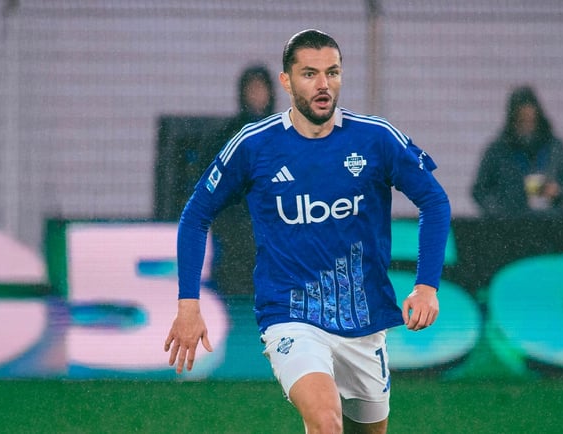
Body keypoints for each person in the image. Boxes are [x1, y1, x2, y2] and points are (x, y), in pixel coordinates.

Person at [164, 29, 451, 434]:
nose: (323, 84)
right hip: (291, 316)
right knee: (325, 420)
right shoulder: (254, 145)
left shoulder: (374, 138)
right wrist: (188, 304)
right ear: (286, 81)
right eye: (309, 74)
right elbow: (196, 216)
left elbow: (435, 202)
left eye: (332, 72)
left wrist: (427, 286)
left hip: (364, 321)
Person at [471, 85, 563, 218]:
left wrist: (559, 192)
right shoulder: (497, 151)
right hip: (513, 226)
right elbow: (480, 191)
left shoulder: (555, 149)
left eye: (531, 120)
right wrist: (502, 212)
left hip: (553, 223)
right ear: (513, 120)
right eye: (522, 120)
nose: (527, 125)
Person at [208, 64, 277, 295]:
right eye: (252, 89)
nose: (257, 96)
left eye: (261, 89)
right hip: (236, 241)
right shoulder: (229, 138)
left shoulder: (286, 136)